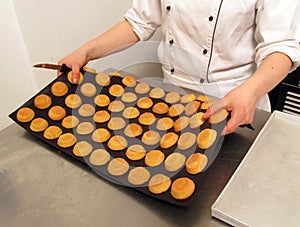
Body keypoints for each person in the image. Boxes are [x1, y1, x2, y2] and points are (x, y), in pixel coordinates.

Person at [59, 1, 300, 134]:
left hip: (235, 106)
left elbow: (280, 48)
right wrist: (86, 51)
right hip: (172, 103)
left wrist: (250, 92)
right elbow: (139, 22)